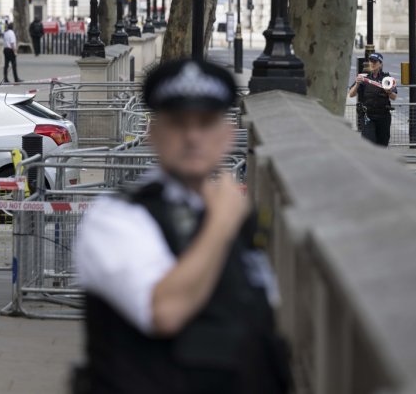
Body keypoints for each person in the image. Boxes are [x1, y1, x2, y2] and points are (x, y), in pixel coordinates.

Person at [74, 59, 291, 394]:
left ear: (227, 135)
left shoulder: (234, 214)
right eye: (178, 123)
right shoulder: (117, 217)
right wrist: (221, 222)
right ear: (154, 133)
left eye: (205, 123)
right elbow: (163, 311)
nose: (192, 137)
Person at [348, 52, 397, 147]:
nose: (372, 64)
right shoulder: (364, 77)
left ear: (380, 64)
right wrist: (357, 84)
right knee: (368, 144)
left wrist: (389, 92)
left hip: (383, 117)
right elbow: (351, 94)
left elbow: (394, 97)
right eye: (371, 61)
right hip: (368, 117)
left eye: (375, 62)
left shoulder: (387, 78)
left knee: (382, 145)